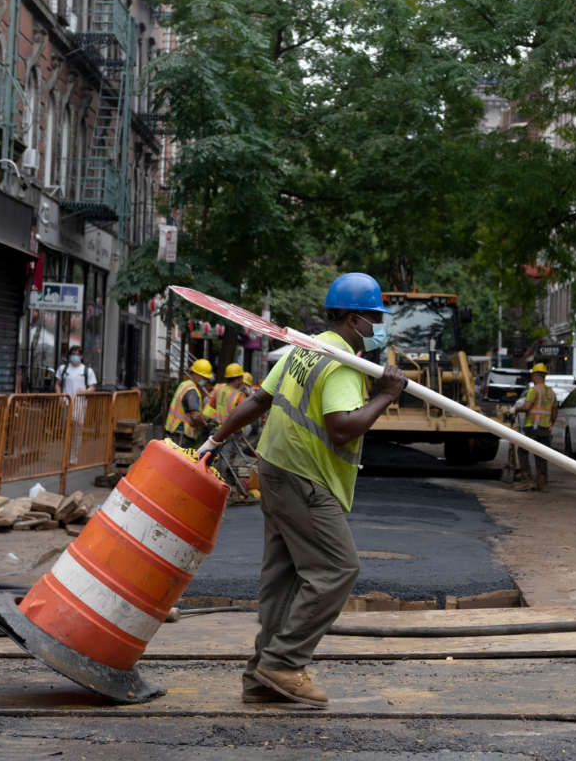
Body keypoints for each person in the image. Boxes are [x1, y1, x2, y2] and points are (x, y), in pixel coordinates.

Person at [200, 272, 407, 709]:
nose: (380, 326)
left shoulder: (305, 349)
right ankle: (284, 662)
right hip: (305, 479)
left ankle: (260, 678)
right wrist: (386, 395)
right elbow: (342, 428)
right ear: (354, 320)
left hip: (274, 471)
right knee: (337, 569)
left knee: (283, 578)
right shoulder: (344, 364)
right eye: (375, 317)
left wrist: (216, 439)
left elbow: (259, 400)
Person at [512, 362, 558, 491]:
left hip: (532, 427)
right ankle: (542, 484)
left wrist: (515, 410)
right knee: (542, 455)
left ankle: (527, 480)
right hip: (544, 428)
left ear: (536, 376)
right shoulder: (551, 392)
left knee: (522, 451)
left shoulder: (534, 390)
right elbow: (554, 412)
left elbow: (526, 407)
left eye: (533, 375)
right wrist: (550, 424)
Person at [164, 358, 214, 448]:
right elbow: (195, 416)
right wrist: (205, 424)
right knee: (180, 460)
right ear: (197, 375)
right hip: (181, 434)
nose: (205, 381)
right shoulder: (192, 390)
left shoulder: (185, 384)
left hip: (174, 431)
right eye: (204, 378)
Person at [204, 363, 248, 428]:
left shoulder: (217, 388)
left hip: (216, 432)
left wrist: (205, 424)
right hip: (230, 433)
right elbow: (246, 416)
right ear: (239, 379)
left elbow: (208, 410)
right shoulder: (239, 396)